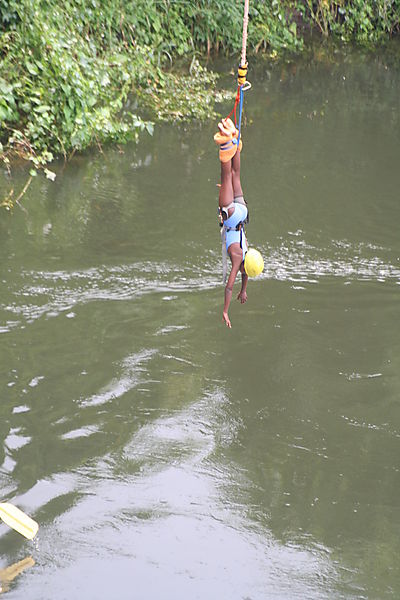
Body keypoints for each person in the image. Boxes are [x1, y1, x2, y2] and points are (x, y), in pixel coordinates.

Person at [214, 117, 249, 329]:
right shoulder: (238, 259)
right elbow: (229, 287)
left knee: (236, 176)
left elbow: (246, 276)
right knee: (226, 176)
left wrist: (244, 290)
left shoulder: (247, 253)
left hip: (243, 213)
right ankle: (227, 141)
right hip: (231, 215)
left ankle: (236, 140)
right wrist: (226, 310)